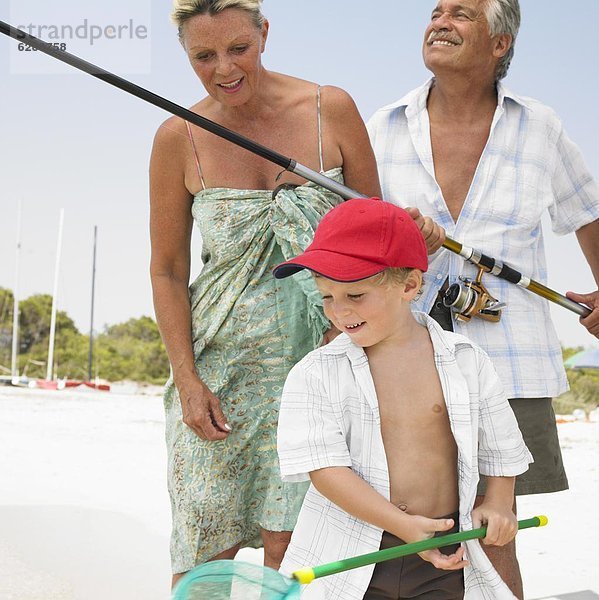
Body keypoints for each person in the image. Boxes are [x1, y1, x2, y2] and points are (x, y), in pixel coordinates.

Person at [366, 0, 599, 597]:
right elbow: (355, 237)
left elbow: (586, 211)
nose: (439, 21)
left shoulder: (540, 125)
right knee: (407, 530)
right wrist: (398, 236)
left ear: (500, 44)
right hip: (405, 359)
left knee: (495, 537)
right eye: (436, 10)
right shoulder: (382, 124)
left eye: (462, 13)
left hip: (513, 364)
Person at [149, 0, 381, 585]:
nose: (224, 68)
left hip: (323, 365)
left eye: (238, 48)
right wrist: (186, 377)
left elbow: (374, 238)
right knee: (205, 542)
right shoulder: (178, 136)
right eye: (203, 56)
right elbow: (167, 270)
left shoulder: (333, 109)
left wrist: (354, 333)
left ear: (264, 34)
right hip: (217, 368)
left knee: (296, 548)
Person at [274, 198, 532, 600]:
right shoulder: (315, 372)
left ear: (409, 286)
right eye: (327, 296)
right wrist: (400, 524)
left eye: (355, 296)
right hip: (352, 547)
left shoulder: (467, 361)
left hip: (446, 548)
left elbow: (501, 447)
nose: (339, 312)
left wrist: (499, 502)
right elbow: (324, 470)